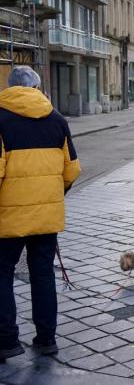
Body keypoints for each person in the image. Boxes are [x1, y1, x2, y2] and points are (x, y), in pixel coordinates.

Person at [0, 66, 80, 360]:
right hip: (46, 218)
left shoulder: (1, 119)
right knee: (43, 274)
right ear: (36, 87)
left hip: (6, 218)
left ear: (10, 87)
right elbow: (71, 169)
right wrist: (52, 196)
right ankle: (47, 339)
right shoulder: (57, 119)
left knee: (2, 274)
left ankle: (7, 342)